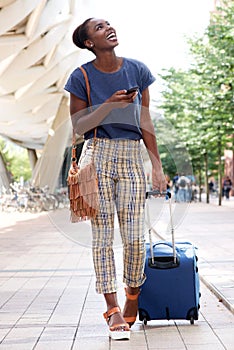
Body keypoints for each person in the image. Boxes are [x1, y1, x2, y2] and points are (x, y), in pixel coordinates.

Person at [64, 18, 166, 340]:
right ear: (88, 42)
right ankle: (111, 309)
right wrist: (108, 106)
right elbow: (79, 128)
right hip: (98, 155)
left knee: (136, 237)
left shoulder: (137, 70)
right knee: (103, 235)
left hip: (131, 155)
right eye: (98, 28)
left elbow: (145, 119)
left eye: (108, 24)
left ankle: (132, 294)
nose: (108, 28)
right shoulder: (81, 76)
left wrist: (157, 166)